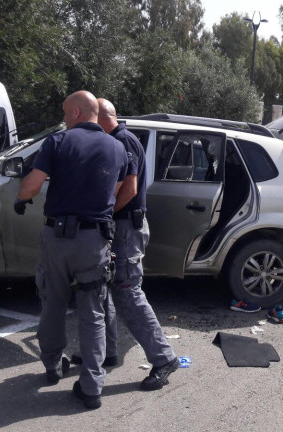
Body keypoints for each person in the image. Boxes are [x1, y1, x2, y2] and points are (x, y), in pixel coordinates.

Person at [14, 90, 129, 409]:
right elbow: (115, 191)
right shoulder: (119, 149)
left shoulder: (57, 142)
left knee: (52, 302)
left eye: (66, 111)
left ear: (78, 113)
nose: (64, 117)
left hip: (59, 239)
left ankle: (52, 366)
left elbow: (32, 184)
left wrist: (21, 198)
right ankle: (92, 385)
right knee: (92, 309)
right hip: (95, 242)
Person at [70, 98, 179, 392]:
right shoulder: (118, 139)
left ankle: (164, 358)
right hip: (119, 226)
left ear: (103, 118)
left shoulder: (123, 141)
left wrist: (105, 216)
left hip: (125, 227)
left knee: (127, 289)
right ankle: (106, 351)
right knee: (104, 287)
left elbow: (129, 189)